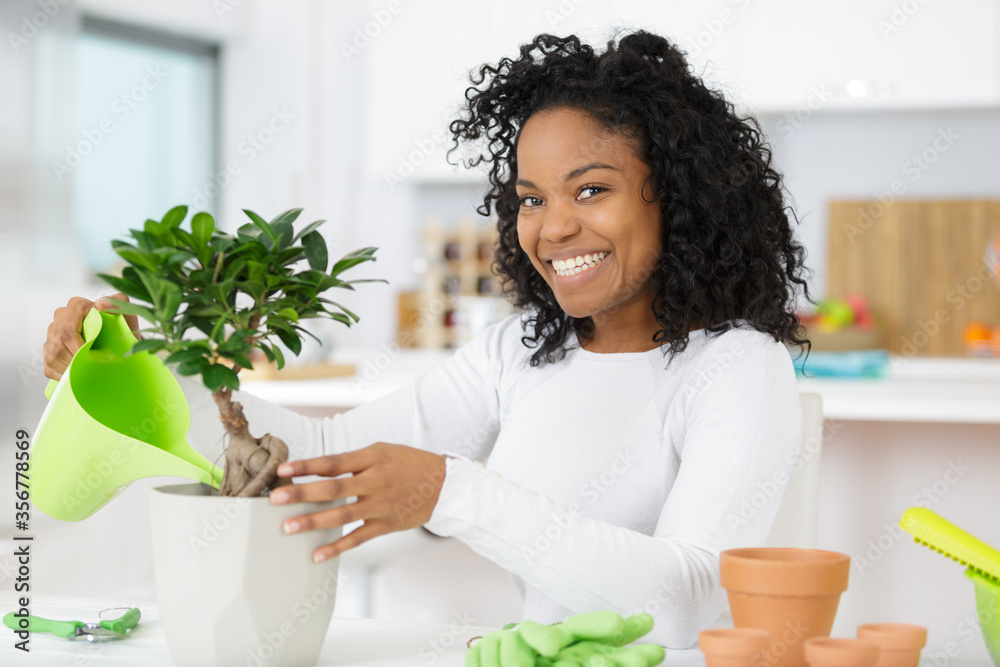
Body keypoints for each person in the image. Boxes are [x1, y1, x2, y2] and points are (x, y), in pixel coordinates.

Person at [43, 30, 811, 648]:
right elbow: (321, 454)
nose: (554, 225)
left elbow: (682, 603)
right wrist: (153, 360)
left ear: (674, 196)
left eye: (591, 189)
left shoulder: (738, 367)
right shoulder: (523, 350)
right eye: (531, 198)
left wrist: (452, 491)